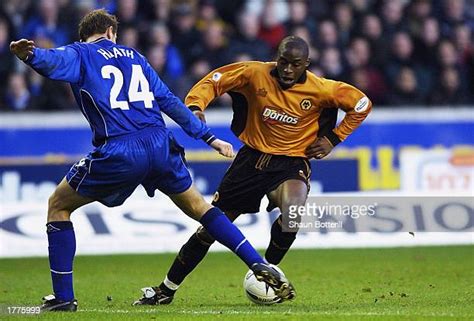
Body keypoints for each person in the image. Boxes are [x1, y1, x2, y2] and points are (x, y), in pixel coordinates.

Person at [10, 9, 295, 312]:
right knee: (201, 208)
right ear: (111, 33)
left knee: (58, 205)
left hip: (120, 149)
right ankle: (259, 262)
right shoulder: (135, 57)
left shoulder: (81, 52)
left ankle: (64, 298)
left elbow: (53, 62)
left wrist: (30, 55)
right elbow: (169, 101)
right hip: (160, 144)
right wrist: (208, 137)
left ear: (92, 35)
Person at [135, 35, 372, 305]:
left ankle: (267, 272)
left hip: (291, 163)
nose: (287, 69)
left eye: (295, 64)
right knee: (208, 231)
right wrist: (195, 107)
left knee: (293, 214)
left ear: (306, 64)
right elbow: (214, 81)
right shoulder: (254, 72)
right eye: (283, 62)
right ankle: (167, 289)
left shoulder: (323, 89)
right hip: (250, 161)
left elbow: (362, 104)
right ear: (276, 57)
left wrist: (333, 138)